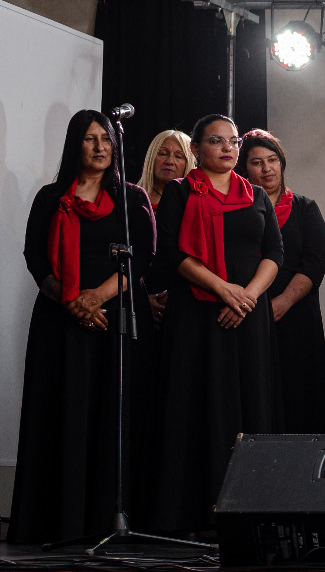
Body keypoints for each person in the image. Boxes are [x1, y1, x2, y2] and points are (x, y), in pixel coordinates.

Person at [9, 110, 157, 544]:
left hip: (116, 319)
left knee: (114, 415)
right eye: (90, 139)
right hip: (60, 324)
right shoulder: (51, 197)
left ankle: (109, 520)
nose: (99, 147)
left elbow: (143, 257)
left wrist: (96, 298)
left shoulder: (131, 199)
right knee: (62, 412)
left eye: (106, 139)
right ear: (75, 145)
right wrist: (74, 302)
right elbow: (35, 257)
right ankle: (59, 522)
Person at [152, 113, 282, 533]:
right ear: (196, 149)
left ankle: (249, 510)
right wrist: (224, 290)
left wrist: (246, 297)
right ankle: (191, 514)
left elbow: (274, 254)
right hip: (196, 318)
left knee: (248, 407)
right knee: (195, 407)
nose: (228, 148)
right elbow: (171, 252)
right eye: (216, 140)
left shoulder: (256, 195)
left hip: (247, 317)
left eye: (233, 141)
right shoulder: (179, 192)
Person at [239, 130, 325, 435]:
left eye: (272, 160)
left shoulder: (305, 208)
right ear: (244, 168)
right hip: (247, 311)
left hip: (296, 315)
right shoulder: (236, 210)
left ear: (282, 163)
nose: (267, 168)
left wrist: (284, 301)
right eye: (257, 162)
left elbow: (315, 261)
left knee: (298, 397)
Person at [138, 128, 195, 327]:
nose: (170, 161)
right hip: (137, 298)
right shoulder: (132, 201)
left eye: (179, 156)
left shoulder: (196, 205)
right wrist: (141, 297)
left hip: (186, 301)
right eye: (163, 153)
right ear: (151, 158)